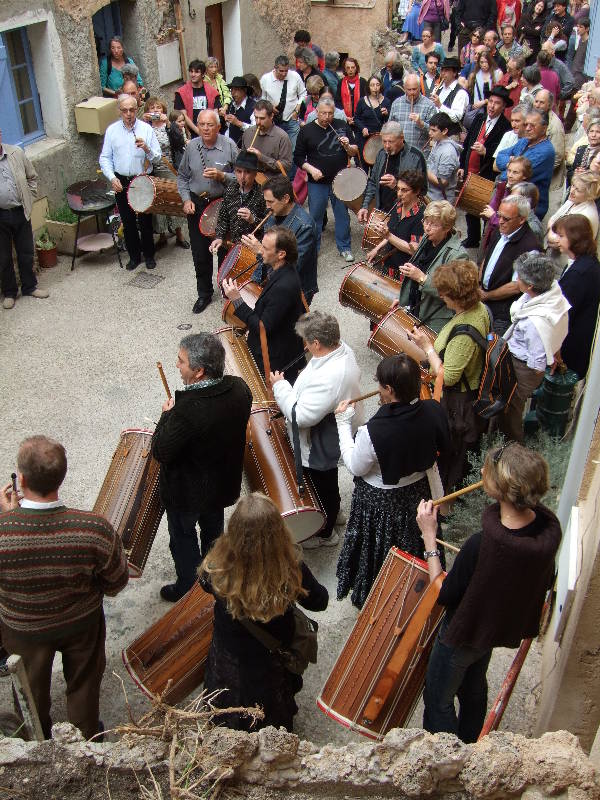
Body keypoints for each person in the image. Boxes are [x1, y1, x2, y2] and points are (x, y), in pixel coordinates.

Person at [417, 442, 561, 742]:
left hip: (463, 631)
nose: (481, 471)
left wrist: (430, 538)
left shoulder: (482, 545)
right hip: (493, 628)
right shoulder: (544, 532)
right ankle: (471, 746)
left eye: (486, 470)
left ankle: (449, 760)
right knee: (473, 687)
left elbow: (443, 593)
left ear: (498, 486)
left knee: (437, 699)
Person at [0, 435, 129, 739]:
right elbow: (116, 582)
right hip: (81, 623)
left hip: (23, 627)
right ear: (62, 476)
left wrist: (8, 518)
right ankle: (83, 738)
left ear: (22, 479)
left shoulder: (2, 531)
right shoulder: (94, 528)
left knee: (29, 688)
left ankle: (36, 738)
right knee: (84, 683)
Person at [200, 493, 328, 732]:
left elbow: (204, 584)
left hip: (229, 654)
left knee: (228, 710)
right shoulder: (291, 567)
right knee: (270, 722)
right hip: (269, 661)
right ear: (278, 530)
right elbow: (320, 601)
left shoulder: (217, 563)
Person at [335, 354, 451, 608]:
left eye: (380, 385)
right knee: (413, 542)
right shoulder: (433, 410)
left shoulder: (372, 432)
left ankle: (380, 599)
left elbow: (355, 465)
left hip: (380, 504)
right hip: (417, 495)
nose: (377, 389)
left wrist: (343, 424)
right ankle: (413, 590)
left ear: (388, 390)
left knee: (380, 551)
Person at [151, 333, 252, 601]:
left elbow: (160, 450)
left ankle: (189, 588)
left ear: (199, 372)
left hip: (187, 493)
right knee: (213, 532)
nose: (177, 365)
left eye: (181, 361)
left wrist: (165, 416)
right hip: (220, 485)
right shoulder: (240, 389)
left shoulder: (187, 412)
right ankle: (214, 578)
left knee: (183, 537)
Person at [272, 311, 362, 549]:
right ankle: (334, 515)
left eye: (306, 341)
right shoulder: (340, 349)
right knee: (327, 482)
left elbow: (301, 416)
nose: (304, 345)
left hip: (322, 438)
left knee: (322, 483)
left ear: (316, 344)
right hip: (328, 429)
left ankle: (325, 533)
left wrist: (280, 387)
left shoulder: (330, 376)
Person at [411, 260, 490, 490]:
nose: (442, 298)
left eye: (444, 295)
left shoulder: (465, 331)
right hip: (463, 398)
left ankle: (445, 500)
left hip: (458, 404)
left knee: (450, 457)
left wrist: (426, 347)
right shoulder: (479, 309)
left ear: (456, 296)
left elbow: (450, 376)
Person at [500, 251, 570, 441]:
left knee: (512, 408)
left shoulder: (535, 322)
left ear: (530, 285)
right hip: (520, 360)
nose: (517, 280)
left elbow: (537, 364)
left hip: (522, 368)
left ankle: (512, 443)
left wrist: (524, 383)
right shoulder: (551, 292)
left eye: (519, 278)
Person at [223, 227, 306, 382]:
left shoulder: (284, 286)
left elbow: (263, 327)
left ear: (281, 254)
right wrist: (259, 250)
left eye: (265, 248)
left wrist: (237, 300)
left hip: (276, 360)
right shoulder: (283, 268)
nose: (261, 251)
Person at [177, 109, 238, 314]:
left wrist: (223, 176)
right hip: (197, 205)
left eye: (210, 124)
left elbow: (243, 178)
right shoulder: (192, 147)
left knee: (224, 251)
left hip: (222, 204)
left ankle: (226, 292)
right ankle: (204, 294)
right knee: (200, 253)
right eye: (201, 124)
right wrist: (186, 200)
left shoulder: (229, 146)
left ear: (218, 127)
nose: (205, 128)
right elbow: (182, 178)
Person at [99, 94, 162, 271]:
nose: (129, 114)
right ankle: (134, 256)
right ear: (119, 111)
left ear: (137, 109)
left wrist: (147, 148)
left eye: (132, 110)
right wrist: (112, 177)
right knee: (127, 221)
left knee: (145, 220)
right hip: (121, 180)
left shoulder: (146, 129)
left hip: (141, 179)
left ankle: (149, 255)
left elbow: (157, 157)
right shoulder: (112, 130)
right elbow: (105, 158)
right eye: (125, 110)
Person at [294, 97, 358, 262]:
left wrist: (347, 147)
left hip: (340, 180)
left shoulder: (341, 125)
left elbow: (354, 151)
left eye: (330, 113)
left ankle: (344, 247)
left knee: (342, 214)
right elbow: (298, 157)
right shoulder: (307, 130)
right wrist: (311, 169)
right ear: (317, 112)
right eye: (323, 113)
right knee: (315, 215)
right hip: (317, 182)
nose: (327, 117)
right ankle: (313, 249)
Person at [391, 200, 469, 333]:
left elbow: (454, 293)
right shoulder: (428, 239)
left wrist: (421, 278)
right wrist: (404, 299)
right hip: (416, 308)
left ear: (447, 227)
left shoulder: (458, 255)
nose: (427, 228)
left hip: (434, 319)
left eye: (434, 224)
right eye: (426, 222)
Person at [242, 175, 318, 302]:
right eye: (266, 201)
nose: (267, 206)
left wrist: (262, 250)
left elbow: (293, 266)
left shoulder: (305, 226)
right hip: (271, 281)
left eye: (270, 202)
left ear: (286, 198)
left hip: (294, 290)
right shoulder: (272, 215)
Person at [0, 129, 49, 310]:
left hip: (21, 211)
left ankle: (30, 287)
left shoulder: (16, 153)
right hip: (1, 214)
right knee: (4, 257)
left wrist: (30, 196)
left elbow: (32, 177)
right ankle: (10, 293)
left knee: (26, 251)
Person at [460, 86, 513, 248]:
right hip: (470, 169)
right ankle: (473, 238)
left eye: (497, 103)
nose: (492, 106)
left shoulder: (505, 127)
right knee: (470, 209)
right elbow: (468, 142)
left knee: (484, 209)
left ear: (503, 106)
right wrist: (462, 165)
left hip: (486, 175)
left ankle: (485, 240)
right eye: (490, 102)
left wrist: (486, 152)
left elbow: (502, 155)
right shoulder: (480, 119)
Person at [479, 195, 540, 334]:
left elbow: (516, 286)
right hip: (483, 298)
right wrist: (479, 283)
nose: (500, 221)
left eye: (506, 218)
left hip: (502, 312)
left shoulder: (530, 247)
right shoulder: (502, 230)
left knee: (492, 345)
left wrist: (487, 295)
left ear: (522, 219)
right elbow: (487, 257)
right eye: (499, 215)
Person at [555, 214, 600, 379]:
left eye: (561, 236)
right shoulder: (586, 263)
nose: (557, 240)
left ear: (575, 239)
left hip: (568, 352)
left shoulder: (579, 274)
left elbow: (563, 314)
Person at [142, 96, 189, 250]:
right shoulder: (144, 127)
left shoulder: (169, 126)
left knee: (173, 199)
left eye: (158, 108)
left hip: (169, 167)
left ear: (163, 110)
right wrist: (142, 122)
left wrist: (168, 123)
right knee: (157, 202)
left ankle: (179, 233)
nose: (155, 110)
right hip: (152, 168)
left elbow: (179, 142)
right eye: (152, 108)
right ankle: (162, 234)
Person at [359, 122, 428, 222]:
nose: (387, 146)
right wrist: (365, 206)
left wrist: (397, 186)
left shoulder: (416, 156)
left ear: (401, 138)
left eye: (391, 141)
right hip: (382, 211)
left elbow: (422, 190)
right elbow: (373, 182)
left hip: (405, 215)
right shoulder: (382, 154)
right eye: (384, 141)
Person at [495, 108, 555, 218]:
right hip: (511, 199)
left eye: (532, 125)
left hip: (528, 208)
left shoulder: (545, 151)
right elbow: (499, 157)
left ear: (544, 128)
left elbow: (507, 177)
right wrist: (511, 163)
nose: (527, 129)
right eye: (526, 124)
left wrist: (509, 165)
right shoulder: (525, 140)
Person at [366, 170, 427, 276]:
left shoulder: (421, 216)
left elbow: (412, 250)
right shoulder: (397, 204)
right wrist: (376, 249)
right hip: (389, 262)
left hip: (405, 270)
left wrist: (388, 235)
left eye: (404, 190)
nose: (399, 194)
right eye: (398, 189)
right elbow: (391, 232)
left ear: (417, 191)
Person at [209, 151, 267, 255]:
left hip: (254, 249)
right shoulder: (230, 189)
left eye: (247, 172)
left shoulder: (262, 194)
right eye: (239, 171)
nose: (242, 176)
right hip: (233, 247)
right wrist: (219, 237)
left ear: (255, 174)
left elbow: (269, 226)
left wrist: (253, 219)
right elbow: (223, 217)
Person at [260, 55, 307, 170]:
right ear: (275, 68)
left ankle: (291, 180)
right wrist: (270, 107)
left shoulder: (295, 76)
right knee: (275, 150)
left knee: (293, 150)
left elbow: (303, 94)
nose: (284, 74)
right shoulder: (266, 79)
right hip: (274, 120)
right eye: (281, 71)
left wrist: (297, 109)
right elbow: (262, 99)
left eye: (286, 71)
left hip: (291, 119)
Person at [480, 155, 533, 249]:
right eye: (509, 170)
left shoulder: (525, 196)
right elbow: (492, 206)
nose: (510, 175)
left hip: (506, 238)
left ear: (525, 176)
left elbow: (512, 224)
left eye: (515, 172)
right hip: (491, 231)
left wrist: (493, 216)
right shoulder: (503, 186)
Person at [546, 172, 600, 251]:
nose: (572, 191)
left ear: (589, 195)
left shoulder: (586, 216)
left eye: (578, 190)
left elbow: (567, 243)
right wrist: (552, 232)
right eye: (573, 186)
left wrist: (551, 233)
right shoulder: (573, 200)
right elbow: (553, 218)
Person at [242, 99, 293, 179]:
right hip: (250, 182)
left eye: (262, 118)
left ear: (271, 116)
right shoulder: (248, 133)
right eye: (256, 118)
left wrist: (261, 157)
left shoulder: (282, 137)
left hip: (272, 185)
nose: (258, 122)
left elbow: (286, 166)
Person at [389, 74, 436, 154]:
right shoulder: (396, 103)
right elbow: (390, 128)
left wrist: (421, 123)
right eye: (409, 89)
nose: (412, 92)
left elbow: (434, 132)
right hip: (400, 153)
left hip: (420, 154)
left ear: (420, 87)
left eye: (414, 89)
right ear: (404, 88)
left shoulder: (429, 105)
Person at [174, 60, 220, 138]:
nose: (193, 75)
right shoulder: (181, 92)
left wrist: (208, 131)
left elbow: (215, 114)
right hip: (190, 134)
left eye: (196, 72)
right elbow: (183, 115)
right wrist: (198, 131)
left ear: (203, 74)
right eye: (191, 72)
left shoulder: (212, 91)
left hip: (209, 132)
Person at [354, 74, 390, 164]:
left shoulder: (386, 101)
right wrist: (363, 128)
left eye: (377, 85)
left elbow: (389, 122)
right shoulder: (362, 101)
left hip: (378, 140)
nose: (375, 88)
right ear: (368, 87)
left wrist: (387, 114)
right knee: (362, 167)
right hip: (363, 138)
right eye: (372, 85)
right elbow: (356, 118)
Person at [427, 112, 463, 203]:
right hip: (431, 196)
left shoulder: (448, 152)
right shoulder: (437, 142)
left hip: (440, 202)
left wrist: (423, 170)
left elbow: (442, 182)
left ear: (444, 131)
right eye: (430, 129)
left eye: (434, 130)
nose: (430, 133)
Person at [430, 57, 470, 124]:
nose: (443, 73)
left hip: (451, 132)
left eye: (446, 70)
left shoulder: (461, 93)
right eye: (442, 70)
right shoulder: (437, 89)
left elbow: (456, 117)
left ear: (454, 73)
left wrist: (440, 105)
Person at [335, 58, 368, 128]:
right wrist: (345, 117)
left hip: (360, 120)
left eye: (352, 67)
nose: (350, 70)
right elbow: (338, 102)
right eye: (348, 67)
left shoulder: (363, 82)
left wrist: (357, 118)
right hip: (345, 120)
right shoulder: (341, 82)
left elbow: (366, 102)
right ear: (344, 69)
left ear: (356, 68)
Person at [224, 76, 256, 147]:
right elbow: (229, 129)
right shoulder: (231, 105)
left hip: (248, 148)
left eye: (236, 90)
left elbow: (256, 130)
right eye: (231, 90)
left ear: (244, 90)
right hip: (232, 147)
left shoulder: (253, 106)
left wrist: (238, 123)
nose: (233, 93)